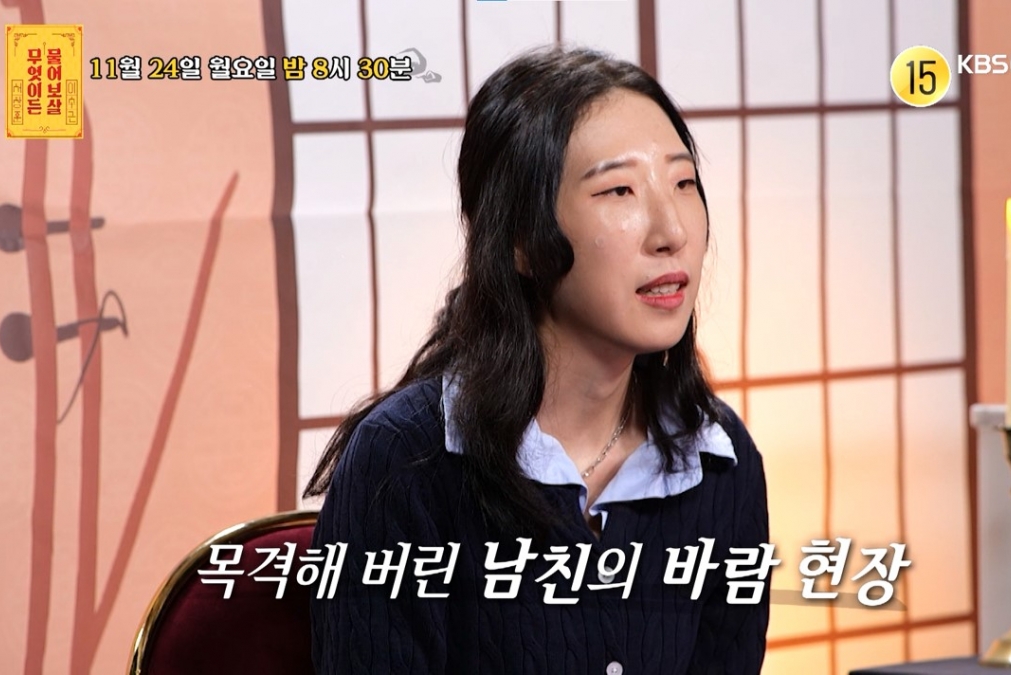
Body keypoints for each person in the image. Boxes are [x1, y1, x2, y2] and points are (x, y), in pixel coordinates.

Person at [305, 45, 770, 674]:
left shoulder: (716, 459)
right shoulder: (406, 461)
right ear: (521, 241)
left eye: (684, 183)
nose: (672, 233)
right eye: (619, 189)